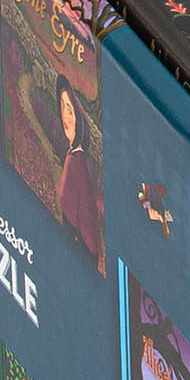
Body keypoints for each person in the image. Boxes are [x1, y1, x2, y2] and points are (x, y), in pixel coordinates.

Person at [53, 78, 105, 273]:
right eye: (61, 106)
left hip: (82, 254)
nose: (64, 116)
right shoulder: (73, 157)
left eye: (69, 110)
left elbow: (80, 220)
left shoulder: (77, 163)